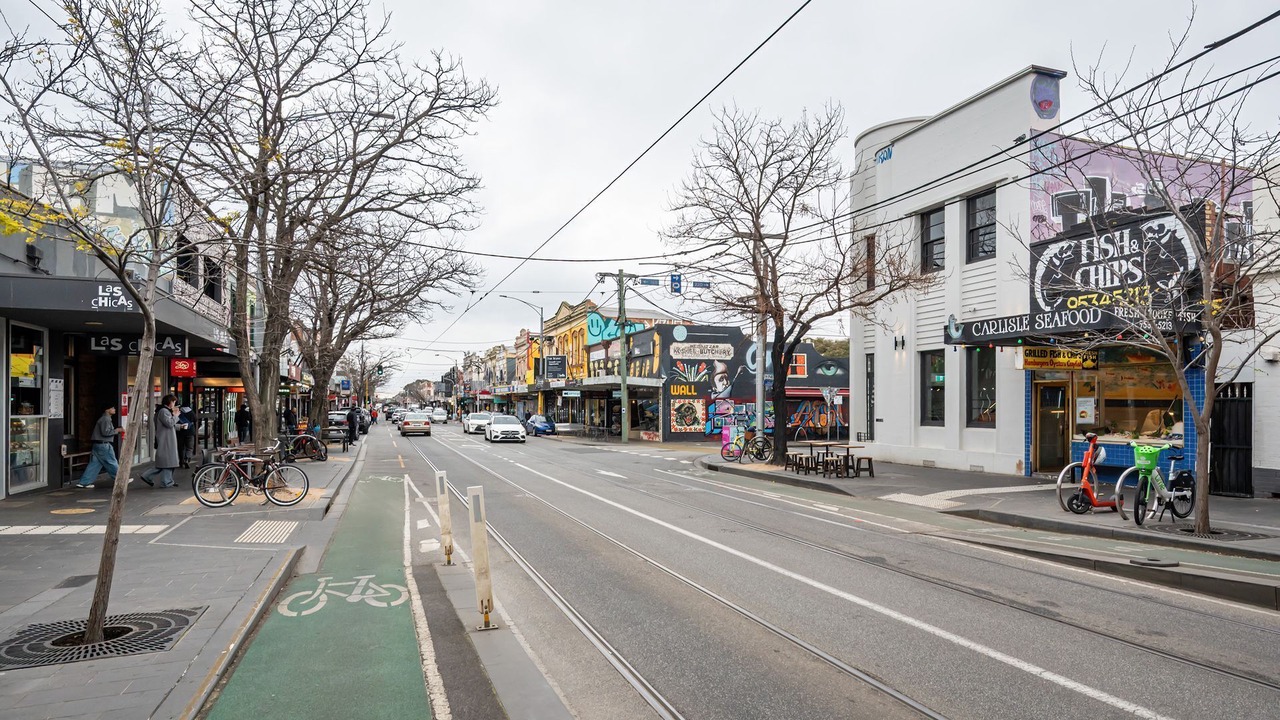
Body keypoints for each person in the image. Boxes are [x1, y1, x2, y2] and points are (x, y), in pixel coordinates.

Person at [75, 403, 125, 488]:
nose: (114, 409)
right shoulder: (105, 419)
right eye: (112, 408)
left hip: (98, 444)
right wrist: (117, 430)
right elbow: (105, 432)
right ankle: (121, 480)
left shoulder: (105, 418)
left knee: (94, 464)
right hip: (104, 445)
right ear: (107, 410)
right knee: (112, 462)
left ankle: (84, 482)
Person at [141, 395, 180, 488]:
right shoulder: (164, 411)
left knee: (165, 462)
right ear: (169, 402)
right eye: (173, 402)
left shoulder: (162, 411)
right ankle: (166, 481)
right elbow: (169, 423)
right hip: (166, 440)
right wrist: (175, 415)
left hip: (166, 438)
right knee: (168, 461)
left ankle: (149, 476)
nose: (174, 404)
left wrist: (179, 426)